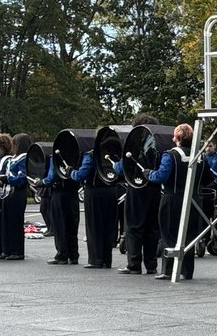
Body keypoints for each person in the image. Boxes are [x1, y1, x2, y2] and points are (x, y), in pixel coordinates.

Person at [149, 124, 202, 281]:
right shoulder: (200, 156)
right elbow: (209, 178)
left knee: (169, 234)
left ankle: (169, 270)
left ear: (177, 138)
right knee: (189, 235)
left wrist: (149, 174)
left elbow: (161, 177)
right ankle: (188, 270)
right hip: (194, 199)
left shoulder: (170, 155)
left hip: (172, 198)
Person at [114, 114, 162, 275]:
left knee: (134, 226)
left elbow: (121, 169)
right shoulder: (159, 144)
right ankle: (151, 264)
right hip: (155, 188)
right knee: (152, 228)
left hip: (136, 187)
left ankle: (134, 264)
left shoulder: (134, 145)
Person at [72, 130, 123, 269]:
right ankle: (107, 259)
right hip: (112, 191)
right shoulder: (118, 155)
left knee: (94, 225)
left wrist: (71, 172)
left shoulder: (91, 154)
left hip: (94, 191)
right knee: (109, 225)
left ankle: (96, 259)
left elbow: (81, 174)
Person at [43, 145, 81, 266]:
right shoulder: (78, 156)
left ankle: (62, 254)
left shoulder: (55, 157)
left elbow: (51, 178)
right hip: (73, 193)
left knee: (60, 225)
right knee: (72, 224)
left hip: (59, 193)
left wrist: (40, 182)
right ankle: (74, 255)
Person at [0, 134, 30, 260]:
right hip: (8, 192)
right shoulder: (13, 158)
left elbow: (22, 178)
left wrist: (6, 179)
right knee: (6, 222)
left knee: (15, 223)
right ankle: (7, 250)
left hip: (17, 193)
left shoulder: (24, 158)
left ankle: (17, 251)